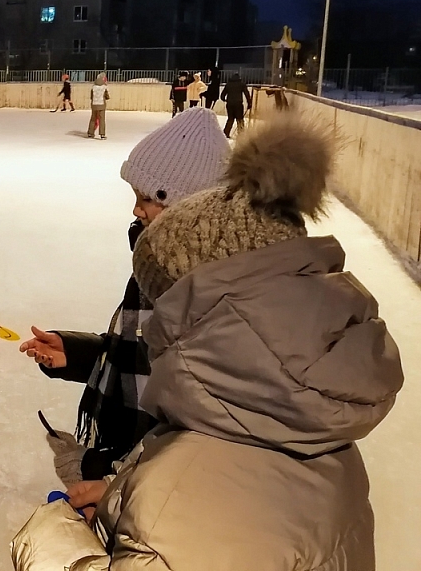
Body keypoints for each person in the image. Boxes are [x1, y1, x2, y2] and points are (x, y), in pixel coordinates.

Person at [29, 115, 403, 570]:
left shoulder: (189, 478)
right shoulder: (285, 390)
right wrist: (119, 488)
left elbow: (173, 418)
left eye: (148, 198)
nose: (136, 211)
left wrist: (65, 544)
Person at [21, 108, 230, 483]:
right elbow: (142, 357)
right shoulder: (158, 264)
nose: (136, 209)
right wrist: (76, 353)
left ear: (189, 206)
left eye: (147, 198)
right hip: (136, 467)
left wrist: (111, 481)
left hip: (161, 479)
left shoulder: (202, 291)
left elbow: (190, 423)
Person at [220, 71, 253, 137]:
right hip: (238, 104)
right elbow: (247, 94)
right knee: (240, 119)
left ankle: (226, 133)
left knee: (230, 119)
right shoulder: (241, 84)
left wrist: (225, 100)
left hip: (229, 104)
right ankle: (241, 135)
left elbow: (222, 95)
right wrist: (249, 103)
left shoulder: (228, 84)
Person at [86, 73, 109, 139]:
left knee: (93, 119)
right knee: (102, 120)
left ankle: (90, 133)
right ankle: (102, 134)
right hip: (101, 105)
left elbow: (91, 97)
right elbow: (107, 96)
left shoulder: (93, 87)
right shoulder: (104, 87)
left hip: (94, 104)